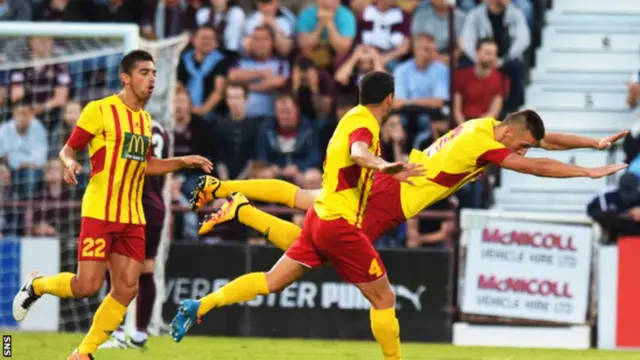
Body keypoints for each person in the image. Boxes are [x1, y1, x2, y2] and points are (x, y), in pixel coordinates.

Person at [179, 113, 627, 360]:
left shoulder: (486, 125)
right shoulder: (486, 145)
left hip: (388, 190)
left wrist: (593, 143)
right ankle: (230, 198)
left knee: (294, 238)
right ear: (509, 135)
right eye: (519, 145)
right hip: (391, 198)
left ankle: (207, 280)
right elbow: (536, 163)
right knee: (378, 292)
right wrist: (586, 173)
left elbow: (542, 143)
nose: (522, 151)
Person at [171, 71, 423, 360]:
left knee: (271, 280)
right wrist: (383, 165)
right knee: (384, 297)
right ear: (389, 99)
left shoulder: (351, 117)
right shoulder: (364, 123)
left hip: (321, 214)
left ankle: (201, 304)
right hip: (337, 224)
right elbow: (358, 151)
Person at [11, 50, 213, 360]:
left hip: (133, 215)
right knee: (86, 285)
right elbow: (68, 149)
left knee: (127, 288)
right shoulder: (99, 110)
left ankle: (84, 353)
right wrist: (69, 164)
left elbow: (144, 165)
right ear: (126, 77)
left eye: (154, 73)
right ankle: (37, 286)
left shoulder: (144, 120)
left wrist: (182, 161)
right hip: (100, 210)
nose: (151, 79)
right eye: (144, 72)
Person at [99, 120, 171, 349]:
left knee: (116, 266)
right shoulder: (161, 130)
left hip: (132, 205)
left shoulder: (129, 127)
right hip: (156, 205)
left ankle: (118, 333)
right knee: (147, 267)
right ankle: (140, 334)